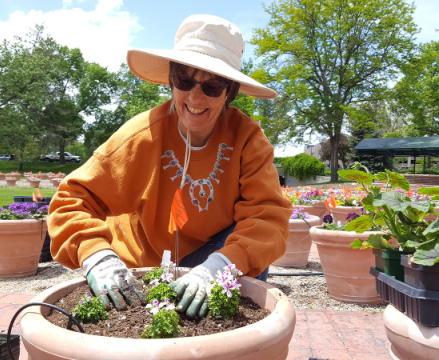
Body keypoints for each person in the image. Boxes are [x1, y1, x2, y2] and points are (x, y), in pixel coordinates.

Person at [48, 14, 292, 318]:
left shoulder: (248, 139)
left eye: (212, 86)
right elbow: (70, 201)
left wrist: (217, 268)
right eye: (184, 80)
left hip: (210, 260)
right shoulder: (141, 135)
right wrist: (98, 257)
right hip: (137, 270)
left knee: (249, 254)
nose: (195, 96)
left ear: (229, 92)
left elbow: (268, 218)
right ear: (171, 81)